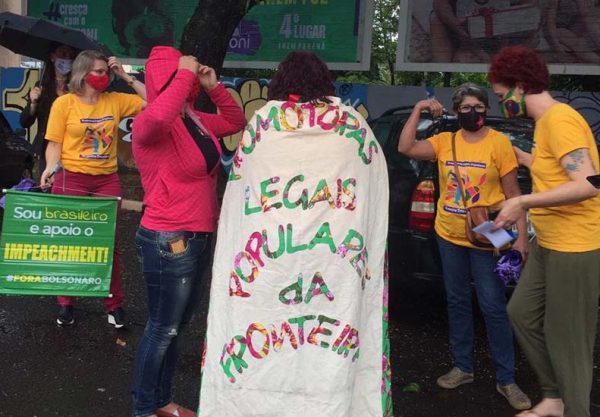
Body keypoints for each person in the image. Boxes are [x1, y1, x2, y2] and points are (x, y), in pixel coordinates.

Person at [198, 51, 391, 417]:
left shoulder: (263, 125)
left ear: (281, 82)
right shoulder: (353, 126)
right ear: (324, 81)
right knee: (325, 351)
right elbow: (372, 190)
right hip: (333, 261)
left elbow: (241, 193)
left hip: (268, 261)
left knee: (263, 327)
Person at [397, 83, 531, 410]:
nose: (473, 113)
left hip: (487, 236)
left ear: (486, 109)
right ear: (457, 112)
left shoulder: (499, 143)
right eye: (466, 108)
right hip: (449, 236)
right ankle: (463, 368)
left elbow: (514, 195)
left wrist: (521, 240)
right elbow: (405, 147)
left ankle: (506, 379)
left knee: (493, 306)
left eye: (479, 107)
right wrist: (418, 110)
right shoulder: (446, 141)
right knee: (457, 302)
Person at [130, 46, 246, 417]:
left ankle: (161, 401)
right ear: (168, 78)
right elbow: (159, 113)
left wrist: (214, 87)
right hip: (168, 239)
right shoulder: (149, 122)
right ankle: (143, 408)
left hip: (198, 234)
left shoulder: (193, 118)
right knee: (162, 328)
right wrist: (182, 73)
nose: (190, 80)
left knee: (175, 328)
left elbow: (235, 121)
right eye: (184, 76)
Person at [488, 46, 600, 417]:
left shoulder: (560, 120)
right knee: (521, 313)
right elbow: (554, 168)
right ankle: (554, 398)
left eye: (502, 95)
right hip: (550, 243)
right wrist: (520, 156)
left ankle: (575, 409)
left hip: (575, 245)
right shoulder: (546, 123)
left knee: (568, 338)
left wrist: (521, 202)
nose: (502, 102)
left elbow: (588, 184)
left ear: (520, 87)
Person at [42, 49, 147, 328]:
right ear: (83, 72)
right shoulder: (64, 104)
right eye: (99, 71)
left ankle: (114, 304)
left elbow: (155, 102)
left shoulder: (116, 100)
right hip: (71, 179)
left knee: (107, 244)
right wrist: (50, 167)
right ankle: (66, 303)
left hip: (106, 180)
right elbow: (54, 144)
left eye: (107, 72)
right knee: (69, 243)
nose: (104, 76)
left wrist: (126, 76)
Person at [20, 44, 77, 176]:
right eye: (63, 54)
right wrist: (33, 103)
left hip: (72, 147)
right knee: (46, 183)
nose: (67, 58)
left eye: (71, 56)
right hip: (45, 148)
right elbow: (25, 122)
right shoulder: (42, 86)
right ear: (52, 57)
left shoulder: (77, 88)